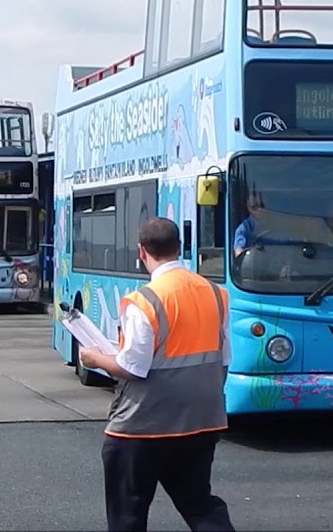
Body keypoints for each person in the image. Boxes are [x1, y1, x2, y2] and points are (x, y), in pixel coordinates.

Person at [78, 217, 235, 532]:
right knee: (200, 506)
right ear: (179, 248)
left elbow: (131, 367)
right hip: (202, 422)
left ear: (141, 251)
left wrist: (96, 359)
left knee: (128, 515)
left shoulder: (144, 300)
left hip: (142, 427)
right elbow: (223, 358)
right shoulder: (216, 294)